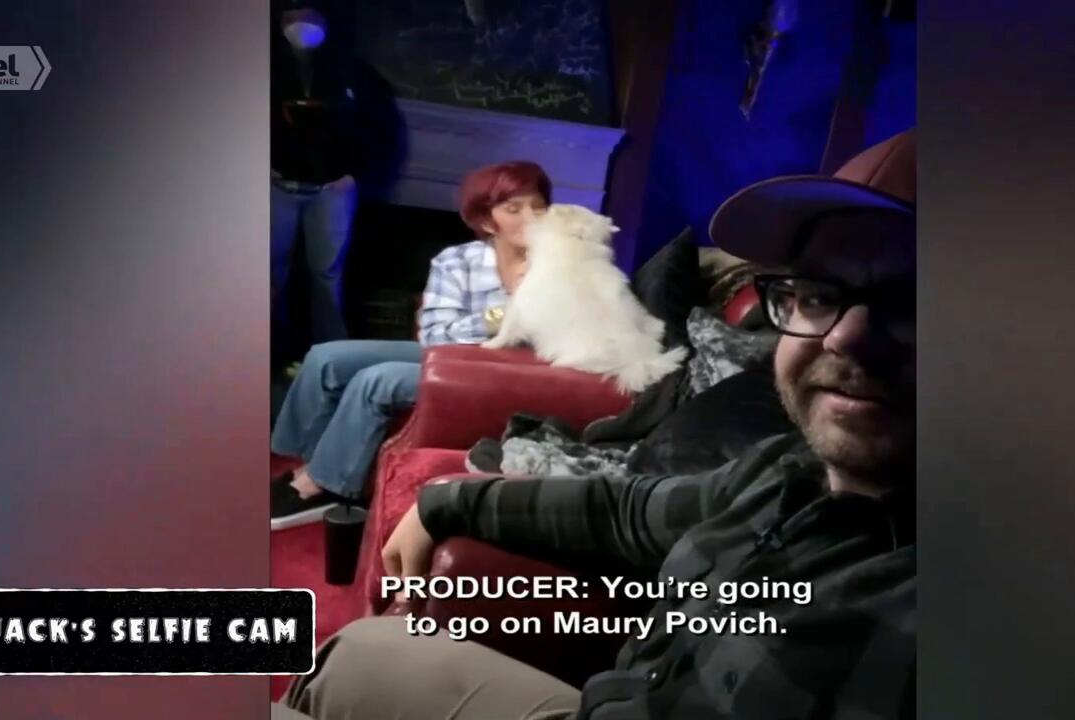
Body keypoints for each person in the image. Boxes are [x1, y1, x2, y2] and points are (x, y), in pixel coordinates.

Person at [276, 129, 918, 719]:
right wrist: (445, 500)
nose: (846, 338)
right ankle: (299, 470)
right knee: (356, 651)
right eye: (818, 295)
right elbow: (627, 510)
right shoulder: (784, 471)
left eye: (918, 299)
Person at [270, 161, 552, 530]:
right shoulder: (457, 260)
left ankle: (323, 485)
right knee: (326, 358)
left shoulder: (562, 267)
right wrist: (499, 317)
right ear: (487, 221)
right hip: (450, 355)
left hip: (506, 369)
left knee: (378, 379)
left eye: (538, 207)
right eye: (514, 209)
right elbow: (434, 337)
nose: (531, 218)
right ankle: (310, 463)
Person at [271, 0, 406, 351]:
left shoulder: (355, 72)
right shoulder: (266, 65)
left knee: (327, 274)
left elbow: (380, 131)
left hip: (332, 190)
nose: (300, 23)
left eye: (309, 14)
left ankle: (329, 351)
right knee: (269, 273)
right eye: (292, 14)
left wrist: (355, 176)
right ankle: (268, 349)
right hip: (276, 187)